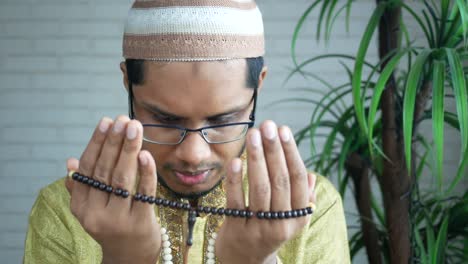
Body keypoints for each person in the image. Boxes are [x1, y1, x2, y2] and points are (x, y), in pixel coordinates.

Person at [23, 1, 350, 263]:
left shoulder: (309, 207)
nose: (194, 154)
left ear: (258, 86)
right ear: (128, 83)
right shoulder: (67, 209)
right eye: (165, 120)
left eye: (224, 121)